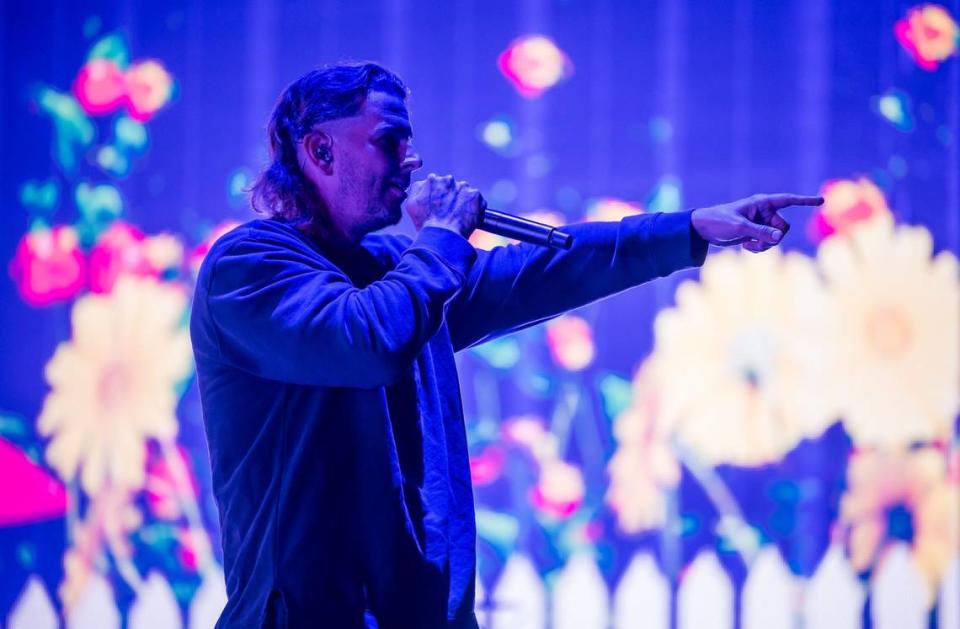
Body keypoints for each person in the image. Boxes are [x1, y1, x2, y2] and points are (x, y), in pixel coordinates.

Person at [189, 62, 822, 629]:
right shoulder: (251, 266)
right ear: (320, 151)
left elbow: (542, 272)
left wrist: (686, 230)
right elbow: (367, 341)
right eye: (388, 140)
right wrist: (439, 237)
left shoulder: (396, 265)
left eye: (409, 138)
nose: (409, 159)